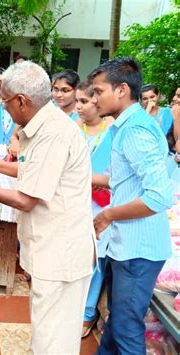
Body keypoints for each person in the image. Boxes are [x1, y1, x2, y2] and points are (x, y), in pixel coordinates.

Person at [0, 61, 95, 354]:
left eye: (6, 102)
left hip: (61, 254)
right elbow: (28, 170)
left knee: (53, 340)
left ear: (22, 100)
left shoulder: (53, 134)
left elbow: (26, 199)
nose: (4, 109)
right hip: (50, 250)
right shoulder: (40, 126)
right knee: (47, 332)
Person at [89, 58, 172, 354]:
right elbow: (121, 180)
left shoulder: (136, 130)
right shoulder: (126, 127)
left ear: (122, 90)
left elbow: (159, 196)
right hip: (124, 246)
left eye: (99, 92)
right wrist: (77, 178)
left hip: (138, 250)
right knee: (118, 323)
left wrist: (108, 214)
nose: (95, 99)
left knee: (126, 329)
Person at [74, 81, 114, 338]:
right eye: (77, 101)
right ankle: (73, 309)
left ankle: (88, 313)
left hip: (103, 205)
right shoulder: (73, 128)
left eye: (84, 101)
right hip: (75, 203)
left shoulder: (114, 131)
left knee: (97, 259)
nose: (78, 107)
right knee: (77, 256)